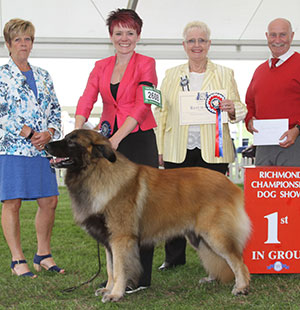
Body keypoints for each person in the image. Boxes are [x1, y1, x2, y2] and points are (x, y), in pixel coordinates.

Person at [75, 9, 158, 293]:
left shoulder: (147, 63)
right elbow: (87, 97)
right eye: (119, 33)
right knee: (112, 212)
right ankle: (117, 275)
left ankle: (140, 277)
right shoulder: (100, 66)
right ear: (111, 36)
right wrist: (78, 130)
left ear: (138, 36)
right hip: (110, 140)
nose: (125, 38)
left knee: (141, 210)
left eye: (130, 33)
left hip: (138, 137)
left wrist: (118, 138)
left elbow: (143, 103)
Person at [155, 21, 247, 271]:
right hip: (178, 148)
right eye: (192, 41)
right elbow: (160, 112)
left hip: (213, 151)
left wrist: (231, 108)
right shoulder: (171, 74)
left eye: (202, 40)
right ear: (184, 45)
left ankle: (216, 259)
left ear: (209, 44)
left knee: (213, 208)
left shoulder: (225, 73)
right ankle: (173, 258)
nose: (197, 45)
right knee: (173, 206)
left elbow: (241, 108)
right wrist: (160, 148)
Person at [0, 19, 64, 277]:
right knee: (12, 202)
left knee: (50, 200)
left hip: (42, 149)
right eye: (18, 40)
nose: (24, 44)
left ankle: (43, 254)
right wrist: (28, 133)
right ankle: (18, 259)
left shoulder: (44, 75)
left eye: (28, 39)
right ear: (8, 44)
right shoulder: (2, 75)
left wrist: (49, 133)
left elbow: (55, 110)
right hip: (13, 148)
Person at [245, 18, 300, 166]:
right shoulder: (260, 70)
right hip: (264, 145)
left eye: (282, 35)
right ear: (267, 36)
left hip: (294, 144)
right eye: (273, 35)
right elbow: (250, 103)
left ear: (292, 36)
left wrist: (297, 129)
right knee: (263, 188)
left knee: (292, 189)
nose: (277, 40)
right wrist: (249, 121)